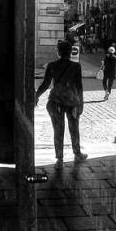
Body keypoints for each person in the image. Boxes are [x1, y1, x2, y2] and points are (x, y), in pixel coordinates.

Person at [35, 39, 87, 169]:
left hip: (56, 100)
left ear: (58, 52)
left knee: (58, 130)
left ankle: (59, 159)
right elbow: (79, 86)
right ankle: (77, 153)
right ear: (70, 53)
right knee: (74, 128)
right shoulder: (76, 66)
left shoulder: (52, 66)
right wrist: (80, 104)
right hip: (71, 101)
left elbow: (45, 84)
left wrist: (36, 96)